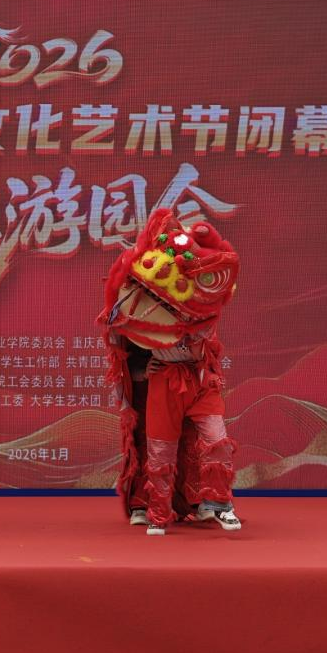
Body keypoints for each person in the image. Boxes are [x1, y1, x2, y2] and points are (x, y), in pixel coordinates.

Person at [100, 209, 241, 536]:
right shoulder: (149, 300)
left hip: (200, 381)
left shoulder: (207, 304)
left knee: (217, 441)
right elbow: (120, 333)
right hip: (164, 380)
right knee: (159, 452)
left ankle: (220, 504)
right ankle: (156, 513)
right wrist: (140, 368)